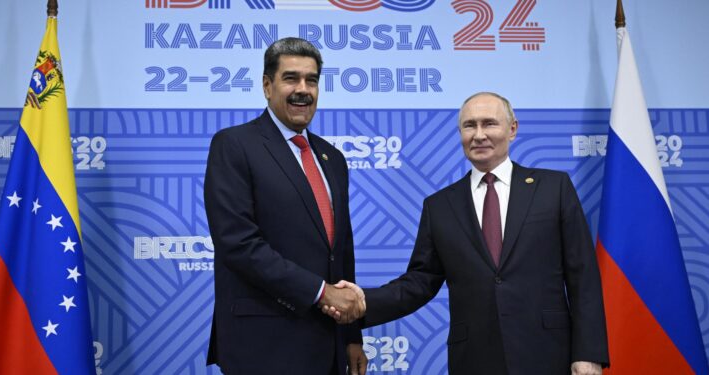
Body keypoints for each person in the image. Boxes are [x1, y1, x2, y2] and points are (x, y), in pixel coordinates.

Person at [324, 92, 609, 375]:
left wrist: (588, 353)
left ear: (512, 129)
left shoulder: (553, 188)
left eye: (490, 124)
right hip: (475, 359)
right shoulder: (439, 206)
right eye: (470, 125)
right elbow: (420, 282)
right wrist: (364, 302)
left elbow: (582, 275)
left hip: (549, 355)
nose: (479, 134)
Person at [204, 37, 367, 375]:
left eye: (312, 80)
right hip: (264, 345)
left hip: (329, 346)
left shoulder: (331, 158)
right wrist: (321, 293)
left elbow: (341, 254)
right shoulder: (234, 145)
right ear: (267, 85)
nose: (302, 89)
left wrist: (352, 337)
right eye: (291, 78)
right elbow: (238, 244)